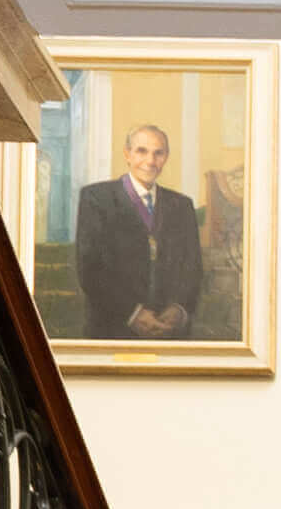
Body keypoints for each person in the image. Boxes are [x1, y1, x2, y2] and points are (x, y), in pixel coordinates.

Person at [73, 115, 199, 342]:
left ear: (166, 157)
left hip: (168, 331)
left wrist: (178, 309)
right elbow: (90, 269)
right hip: (113, 326)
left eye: (158, 153)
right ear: (127, 154)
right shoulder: (97, 198)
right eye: (142, 151)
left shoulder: (182, 205)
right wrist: (132, 314)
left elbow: (193, 267)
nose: (150, 161)